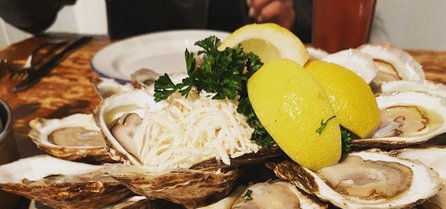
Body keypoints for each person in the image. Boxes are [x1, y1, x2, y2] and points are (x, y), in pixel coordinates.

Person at [0, 0, 312, 42]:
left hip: (250, 84)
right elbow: (28, 12)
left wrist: (292, 9)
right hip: (125, 89)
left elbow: (327, 16)